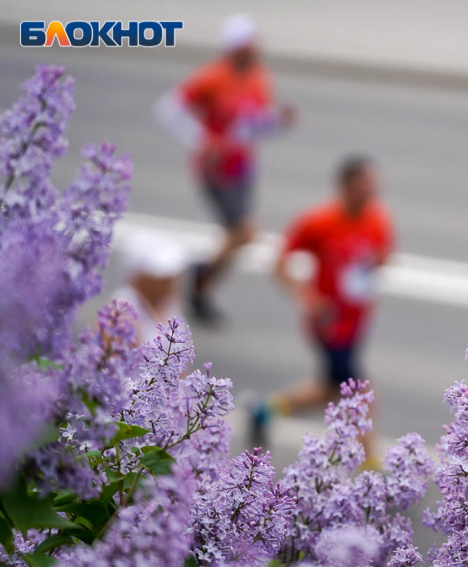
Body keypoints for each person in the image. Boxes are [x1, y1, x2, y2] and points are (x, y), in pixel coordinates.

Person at [154, 13, 297, 325]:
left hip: (243, 167)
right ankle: (194, 273)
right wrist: (201, 140)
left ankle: (201, 287)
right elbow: (168, 109)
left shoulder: (259, 77)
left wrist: (278, 122)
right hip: (215, 170)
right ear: (234, 48)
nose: (255, 49)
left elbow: (254, 126)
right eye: (248, 45)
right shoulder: (212, 77)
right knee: (245, 232)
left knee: (238, 237)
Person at [251, 156, 393, 460]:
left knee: (330, 388)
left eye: (374, 183)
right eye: (366, 183)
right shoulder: (319, 221)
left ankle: (266, 410)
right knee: (361, 394)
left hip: (356, 323)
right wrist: (308, 299)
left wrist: (373, 266)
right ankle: (371, 469)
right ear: (346, 185)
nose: (373, 189)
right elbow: (280, 262)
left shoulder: (377, 219)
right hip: (329, 325)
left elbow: (382, 257)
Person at [112, 233, 187, 344]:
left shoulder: (168, 299)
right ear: (139, 277)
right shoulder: (122, 312)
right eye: (161, 277)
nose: (170, 280)